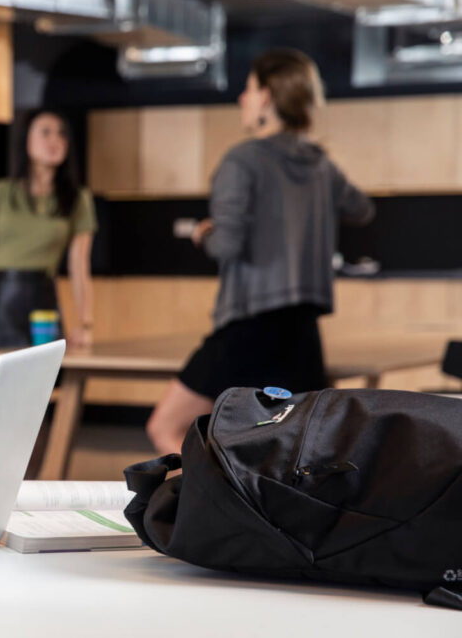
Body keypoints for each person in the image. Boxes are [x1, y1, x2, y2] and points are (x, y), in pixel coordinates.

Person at [146, 48, 375, 455]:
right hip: (302, 333)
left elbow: (227, 244)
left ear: (267, 96)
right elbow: (362, 208)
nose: (242, 99)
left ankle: (200, 516)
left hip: (248, 327)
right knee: (283, 450)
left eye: (249, 89)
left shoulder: (242, 160)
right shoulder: (321, 164)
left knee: (168, 427)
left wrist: (202, 233)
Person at [0, 109, 96, 350]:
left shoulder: (77, 199)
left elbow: (79, 264)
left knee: (43, 381)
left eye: (61, 135)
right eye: (45, 133)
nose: (55, 141)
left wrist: (85, 323)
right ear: (26, 140)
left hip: (43, 301)